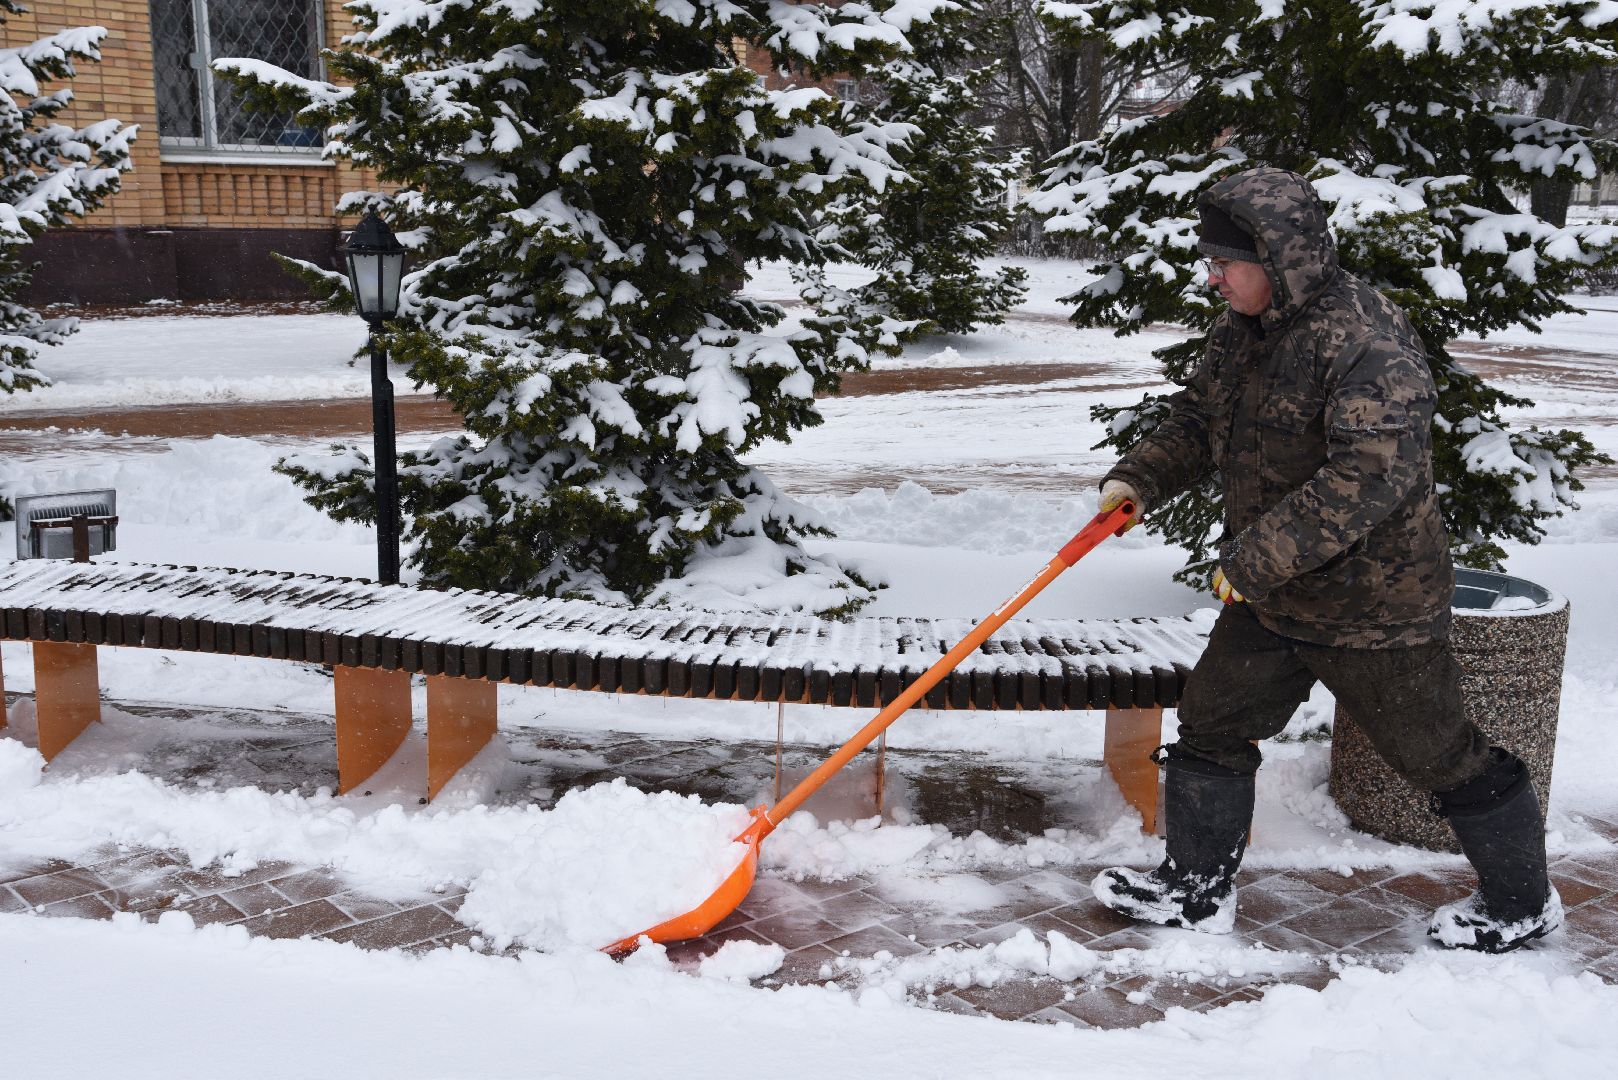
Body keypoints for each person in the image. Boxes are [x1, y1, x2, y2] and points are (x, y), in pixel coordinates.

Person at [1090, 166, 1561, 953]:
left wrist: (1254, 560)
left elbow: (1369, 474)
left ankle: (1521, 902)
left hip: (1373, 603)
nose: (1212, 278)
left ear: (1277, 258)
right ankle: (1195, 889)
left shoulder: (1365, 339)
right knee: (1212, 722)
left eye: (1225, 263)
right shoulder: (1245, 331)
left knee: (1438, 753)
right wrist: (1138, 478)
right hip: (1277, 596)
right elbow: (1200, 416)